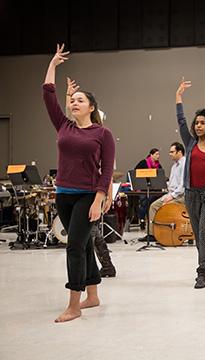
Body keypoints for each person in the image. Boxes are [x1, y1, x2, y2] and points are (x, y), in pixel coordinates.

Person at [43, 44, 115, 322]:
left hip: (87, 195)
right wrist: (53, 64)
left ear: (92, 107)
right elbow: (48, 95)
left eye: (80, 100)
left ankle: (73, 304)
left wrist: (99, 200)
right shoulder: (63, 125)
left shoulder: (103, 133)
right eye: (72, 100)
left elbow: (106, 170)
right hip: (63, 194)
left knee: (73, 245)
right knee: (84, 245)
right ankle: (93, 295)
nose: (74, 103)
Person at [175, 79, 205, 289]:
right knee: (198, 234)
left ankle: (201, 272)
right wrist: (178, 97)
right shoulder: (190, 143)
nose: (198, 125)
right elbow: (181, 121)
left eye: (202, 123)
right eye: (197, 123)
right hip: (190, 194)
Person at [66, 77, 116, 278]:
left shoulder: (102, 137)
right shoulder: (80, 134)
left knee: (92, 235)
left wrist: (107, 196)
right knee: (91, 235)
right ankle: (102, 269)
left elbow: (108, 171)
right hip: (85, 192)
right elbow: (67, 117)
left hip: (94, 193)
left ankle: (106, 266)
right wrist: (69, 95)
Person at [145, 142, 186, 242]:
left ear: (179, 152)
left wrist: (171, 196)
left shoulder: (184, 164)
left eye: (172, 152)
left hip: (181, 196)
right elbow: (172, 184)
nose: (170, 154)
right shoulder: (174, 166)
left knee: (163, 205)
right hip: (172, 194)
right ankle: (152, 234)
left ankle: (162, 234)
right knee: (153, 206)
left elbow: (183, 186)